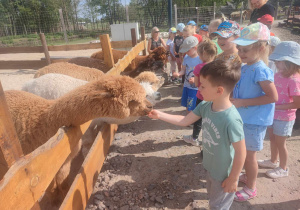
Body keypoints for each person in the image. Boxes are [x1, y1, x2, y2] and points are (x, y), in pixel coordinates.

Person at [148, 60, 246, 210]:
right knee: (213, 200)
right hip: (210, 166)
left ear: (219, 90)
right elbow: (184, 120)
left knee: (218, 206)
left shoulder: (231, 119)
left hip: (224, 174)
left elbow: (241, 152)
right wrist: (160, 115)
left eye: (203, 86)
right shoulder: (206, 105)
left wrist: (233, 178)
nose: (198, 88)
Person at [231, 22, 278, 202]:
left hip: (255, 121)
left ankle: (251, 188)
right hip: (245, 117)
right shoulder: (246, 66)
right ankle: (248, 177)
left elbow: (273, 97)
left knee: (250, 155)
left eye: (245, 50)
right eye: (239, 49)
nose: (241, 54)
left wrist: (243, 102)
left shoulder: (261, 70)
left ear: (260, 48)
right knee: (242, 151)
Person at [257, 41, 300, 179]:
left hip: (285, 117)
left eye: (279, 61)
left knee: (281, 143)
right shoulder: (278, 75)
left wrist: (276, 106)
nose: (275, 63)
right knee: (273, 139)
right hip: (273, 114)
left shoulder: (294, 80)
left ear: (289, 62)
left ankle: (283, 168)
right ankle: (273, 161)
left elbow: (296, 104)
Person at [183, 39, 218, 146]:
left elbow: (197, 84)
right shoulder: (217, 65)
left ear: (203, 54)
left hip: (201, 97)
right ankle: (211, 141)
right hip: (214, 98)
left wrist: (194, 80)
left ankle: (194, 138)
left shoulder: (199, 67)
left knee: (199, 118)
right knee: (212, 120)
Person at [173, 36, 202, 112]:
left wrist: (196, 79)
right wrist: (178, 74)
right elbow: (183, 70)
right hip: (187, 86)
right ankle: (189, 119)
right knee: (187, 105)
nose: (186, 52)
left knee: (192, 106)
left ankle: (191, 121)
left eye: (188, 50)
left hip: (195, 88)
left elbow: (203, 74)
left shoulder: (201, 59)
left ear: (195, 48)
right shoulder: (186, 57)